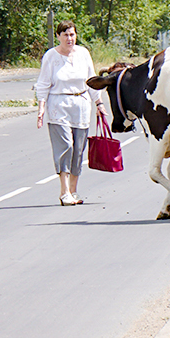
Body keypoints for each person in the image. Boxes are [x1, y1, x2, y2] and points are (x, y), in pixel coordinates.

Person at [34, 20, 99, 205]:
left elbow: (91, 80)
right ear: (58, 36)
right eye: (65, 35)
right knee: (66, 146)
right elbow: (43, 84)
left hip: (81, 105)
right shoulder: (51, 57)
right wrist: (41, 108)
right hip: (58, 105)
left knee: (78, 149)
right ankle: (64, 192)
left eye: (72, 34)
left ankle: (73, 190)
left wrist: (99, 104)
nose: (69, 38)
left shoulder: (83, 53)